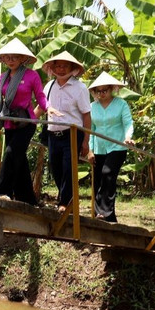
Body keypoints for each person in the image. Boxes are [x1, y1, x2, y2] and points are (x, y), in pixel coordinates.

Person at [0, 38, 47, 204]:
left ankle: (0, 192)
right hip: (9, 123)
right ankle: (29, 200)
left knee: (10, 154)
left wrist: (48, 108)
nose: (10, 60)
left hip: (26, 123)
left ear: (22, 59)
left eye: (14, 57)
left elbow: (40, 96)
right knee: (19, 160)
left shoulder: (32, 75)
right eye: (7, 57)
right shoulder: (2, 78)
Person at [41, 51, 91, 212]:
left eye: (65, 66)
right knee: (55, 167)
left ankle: (64, 202)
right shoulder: (49, 86)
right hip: (53, 133)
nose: (61, 69)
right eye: (58, 66)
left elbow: (86, 114)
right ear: (52, 67)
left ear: (72, 68)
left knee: (69, 167)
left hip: (72, 133)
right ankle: (69, 200)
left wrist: (86, 141)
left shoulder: (80, 87)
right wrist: (28, 123)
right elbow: (40, 107)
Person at [86, 72, 134, 222]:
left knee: (108, 173)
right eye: (98, 91)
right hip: (99, 147)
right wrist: (90, 150)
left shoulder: (121, 104)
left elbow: (128, 123)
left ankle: (104, 213)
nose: (101, 94)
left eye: (104, 90)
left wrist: (128, 137)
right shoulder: (92, 107)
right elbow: (91, 130)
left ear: (112, 89)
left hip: (117, 146)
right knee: (98, 179)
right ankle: (107, 217)